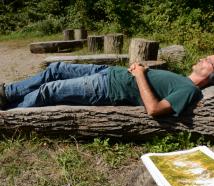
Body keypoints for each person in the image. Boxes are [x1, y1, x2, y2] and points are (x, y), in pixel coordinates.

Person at [0, 55, 213, 116]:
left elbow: (154, 110)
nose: (203, 58)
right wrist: (141, 68)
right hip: (107, 72)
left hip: (107, 88)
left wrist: (139, 74)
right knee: (55, 68)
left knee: (50, 90)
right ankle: (7, 93)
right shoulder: (181, 79)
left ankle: (8, 115)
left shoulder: (190, 90)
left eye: (209, 60)